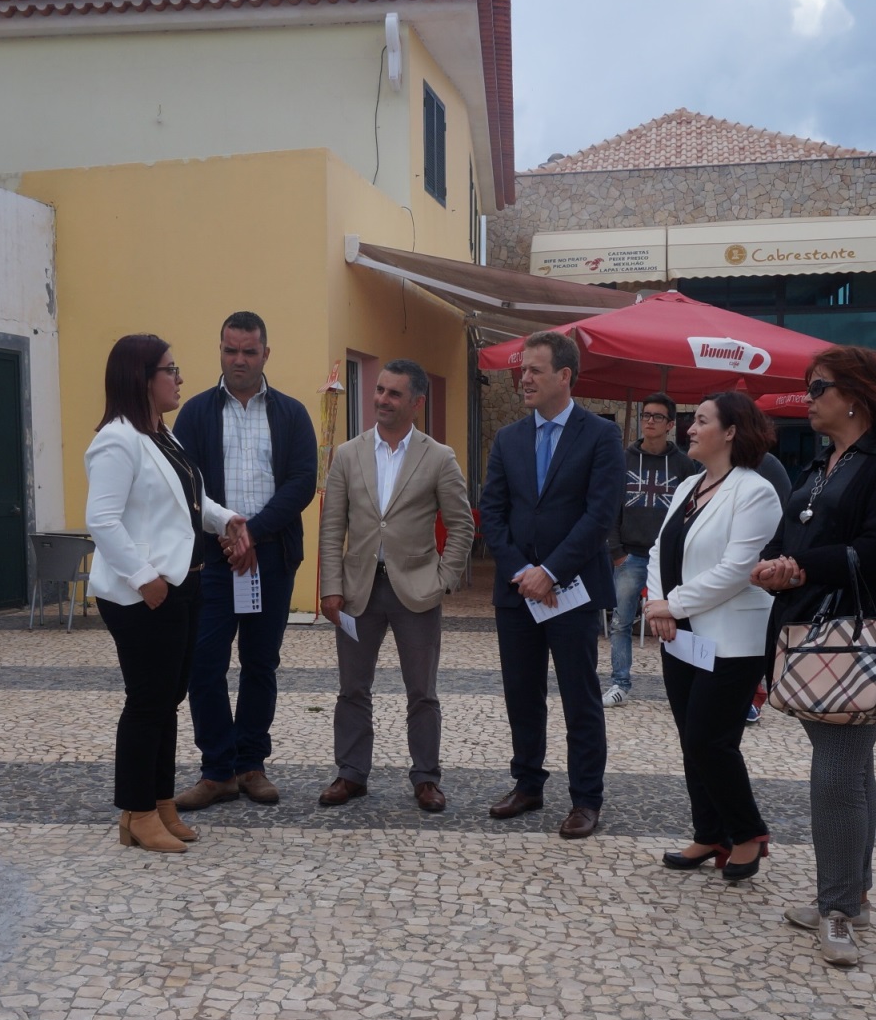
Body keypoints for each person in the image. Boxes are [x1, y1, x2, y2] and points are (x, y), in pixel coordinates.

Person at [751, 346, 876, 967]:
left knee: (837, 770)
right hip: (815, 635)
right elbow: (791, 536)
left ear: (856, 395)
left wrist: (799, 566)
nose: (808, 399)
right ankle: (853, 895)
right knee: (852, 768)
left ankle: (836, 908)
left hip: (863, 639)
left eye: (818, 388)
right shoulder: (822, 463)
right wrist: (776, 564)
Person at [84, 336, 250, 853]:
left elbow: (188, 500)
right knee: (147, 703)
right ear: (142, 379)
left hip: (182, 585)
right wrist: (143, 577)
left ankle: (160, 804)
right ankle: (136, 812)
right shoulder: (117, 440)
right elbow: (101, 520)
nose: (179, 379)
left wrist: (226, 519)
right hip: (143, 595)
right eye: (169, 370)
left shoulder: (160, 435)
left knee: (167, 701)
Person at [479, 330, 622, 839]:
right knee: (522, 693)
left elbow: (599, 516)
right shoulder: (509, 438)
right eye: (522, 370)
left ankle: (586, 798)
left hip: (572, 591)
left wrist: (551, 572)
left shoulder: (601, 436)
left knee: (580, 697)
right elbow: (492, 511)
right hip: (517, 592)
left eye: (534, 370)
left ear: (564, 375)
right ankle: (527, 784)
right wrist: (523, 572)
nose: (524, 378)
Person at [172, 313, 317, 811]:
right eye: (230, 350)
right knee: (204, 664)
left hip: (271, 558)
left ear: (265, 354)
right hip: (213, 560)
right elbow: (187, 483)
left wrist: (252, 532)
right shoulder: (195, 413)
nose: (239, 360)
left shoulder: (291, 413)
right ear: (220, 350)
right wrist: (228, 535)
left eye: (249, 352)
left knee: (260, 663)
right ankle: (217, 771)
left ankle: (251, 764)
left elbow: (301, 481)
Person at [316, 360, 474, 812]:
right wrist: (330, 585)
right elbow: (332, 526)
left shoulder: (438, 456)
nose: (382, 399)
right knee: (352, 688)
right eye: (380, 390)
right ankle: (351, 773)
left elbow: (461, 524)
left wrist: (443, 580)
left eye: (393, 393)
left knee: (422, 691)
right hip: (357, 591)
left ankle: (426, 777)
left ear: (417, 403)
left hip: (416, 592)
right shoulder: (349, 454)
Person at [641, 392, 782, 881]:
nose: (690, 429)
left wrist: (673, 605)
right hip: (682, 635)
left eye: (701, 421)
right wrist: (659, 605)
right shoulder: (689, 485)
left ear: (731, 432)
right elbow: (659, 549)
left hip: (733, 639)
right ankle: (710, 832)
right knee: (690, 738)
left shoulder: (756, 491)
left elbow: (737, 569)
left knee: (710, 740)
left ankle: (747, 833)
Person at [604, 393, 700, 708]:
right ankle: (619, 683)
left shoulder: (684, 464)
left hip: (669, 558)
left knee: (677, 620)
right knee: (621, 621)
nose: (650, 421)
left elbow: (691, 512)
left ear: (670, 424)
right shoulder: (623, 459)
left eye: (658, 416)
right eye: (646, 415)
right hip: (630, 555)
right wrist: (616, 551)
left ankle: (681, 685)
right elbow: (611, 507)